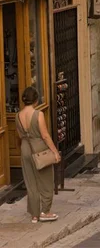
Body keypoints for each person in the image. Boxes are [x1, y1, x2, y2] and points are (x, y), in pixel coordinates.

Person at [16, 86, 61, 223]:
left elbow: (19, 135)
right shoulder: (38, 114)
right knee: (46, 179)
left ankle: (34, 214)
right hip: (39, 148)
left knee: (31, 181)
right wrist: (55, 152)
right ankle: (45, 211)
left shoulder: (18, 115)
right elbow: (45, 135)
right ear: (35, 100)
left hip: (25, 148)